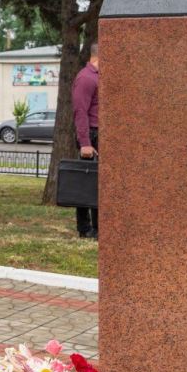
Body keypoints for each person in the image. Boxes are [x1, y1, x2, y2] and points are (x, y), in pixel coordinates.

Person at [71, 42, 100, 239]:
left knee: (98, 184)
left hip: (99, 135)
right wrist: (85, 143)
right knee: (86, 184)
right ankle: (86, 229)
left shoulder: (98, 77)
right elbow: (80, 112)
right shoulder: (86, 78)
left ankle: (99, 228)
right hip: (91, 136)